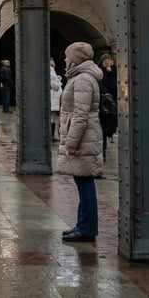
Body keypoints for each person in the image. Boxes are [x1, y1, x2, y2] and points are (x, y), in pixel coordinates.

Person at [56, 41, 104, 243]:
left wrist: (72, 142)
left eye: (68, 56)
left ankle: (87, 228)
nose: (65, 59)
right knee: (82, 181)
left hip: (84, 138)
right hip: (84, 137)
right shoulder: (79, 77)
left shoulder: (83, 79)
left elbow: (81, 114)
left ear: (76, 59)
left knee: (85, 182)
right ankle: (83, 224)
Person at [99, 54, 118, 153]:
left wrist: (111, 72)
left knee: (112, 120)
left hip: (113, 100)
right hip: (103, 100)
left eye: (109, 60)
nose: (107, 62)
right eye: (105, 60)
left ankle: (110, 135)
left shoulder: (114, 71)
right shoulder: (99, 72)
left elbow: (114, 85)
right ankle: (104, 143)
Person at [50, 58, 62, 141]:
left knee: (52, 116)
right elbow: (55, 85)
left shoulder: (51, 71)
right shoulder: (51, 70)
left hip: (54, 97)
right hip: (53, 96)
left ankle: (51, 135)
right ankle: (51, 135)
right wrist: (59, 82)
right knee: (52, 117)